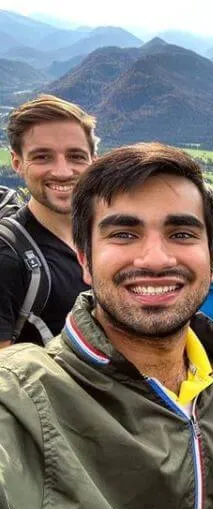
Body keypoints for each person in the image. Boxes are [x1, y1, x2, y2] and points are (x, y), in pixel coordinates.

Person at [0, 143, 213, 509]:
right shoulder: (21, 401)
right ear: (84, 261)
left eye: (181, 233)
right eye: (124, 234)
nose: (156, 259)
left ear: (212, 257)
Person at [0, 94, 97, 347]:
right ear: (17, 163)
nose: (63, 171)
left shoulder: (104, 237)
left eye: (76, 156)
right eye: (42, 157)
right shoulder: (8, 258)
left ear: (93, 161)